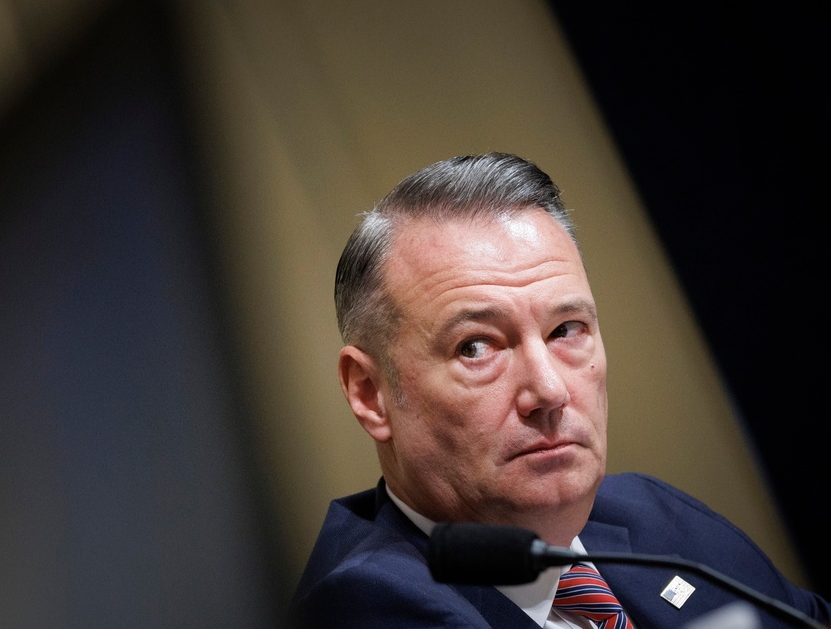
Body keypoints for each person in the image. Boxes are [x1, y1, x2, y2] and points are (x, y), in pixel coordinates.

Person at [290, 153, 830, 628]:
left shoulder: (649, 514)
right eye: (476, 347)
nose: (549, 391)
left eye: (565, 330)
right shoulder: (366, 604)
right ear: (369, 393)